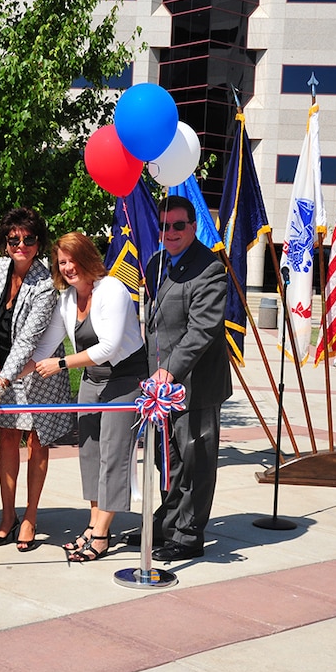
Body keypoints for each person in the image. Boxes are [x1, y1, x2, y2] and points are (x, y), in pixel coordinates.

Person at [25, 232, 147, 562]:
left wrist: (62, 363)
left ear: (87, 257)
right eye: (61, 262)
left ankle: (103, 534)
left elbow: (108, 347)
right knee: (90, 452)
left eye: (72, 259)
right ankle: (93, 524)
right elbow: (44, 348)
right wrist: (8, 376)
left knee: (114, 453)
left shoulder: (112, 289)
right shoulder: (67, 299)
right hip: (93, 381)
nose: (67, 267)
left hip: (124, 379)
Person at [128, 195, 230, 562]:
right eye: (164, 226)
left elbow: (202, 330)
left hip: (194, 386)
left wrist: (169, 369)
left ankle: (188, 535)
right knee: (166, 458)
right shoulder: (158, 264)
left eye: (178, 226)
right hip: (160, 387)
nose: (169, 232)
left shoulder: (210, 269)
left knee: (193, 460)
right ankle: (167, 520)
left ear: (192, 227)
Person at [0, 208, 73, 552]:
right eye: (14, 239)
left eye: (29, 239)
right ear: (5, 243)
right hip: (2, 370)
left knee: (37, 443)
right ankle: (8, 517)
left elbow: (28, 340)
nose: (21, 244)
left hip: (36, 373)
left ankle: (31, 516)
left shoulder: (46, 284)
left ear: (39, 243)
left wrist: (3, 380)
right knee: (7, 440)